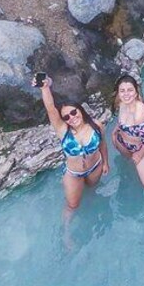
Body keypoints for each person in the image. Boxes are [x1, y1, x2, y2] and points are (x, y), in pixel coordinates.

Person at [34, 74, 109, 220]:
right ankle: (66, 235)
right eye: (66, 117)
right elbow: (51, 109)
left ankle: (92, 213)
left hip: (95, 167)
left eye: (73, 112)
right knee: (72, 206)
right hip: (73, 173)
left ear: (80, 110)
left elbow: (103, 144)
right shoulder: (63, 130)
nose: (71, 118)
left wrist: (106, 162)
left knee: (92, 191)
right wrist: (45, 88)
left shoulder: (96, 125)